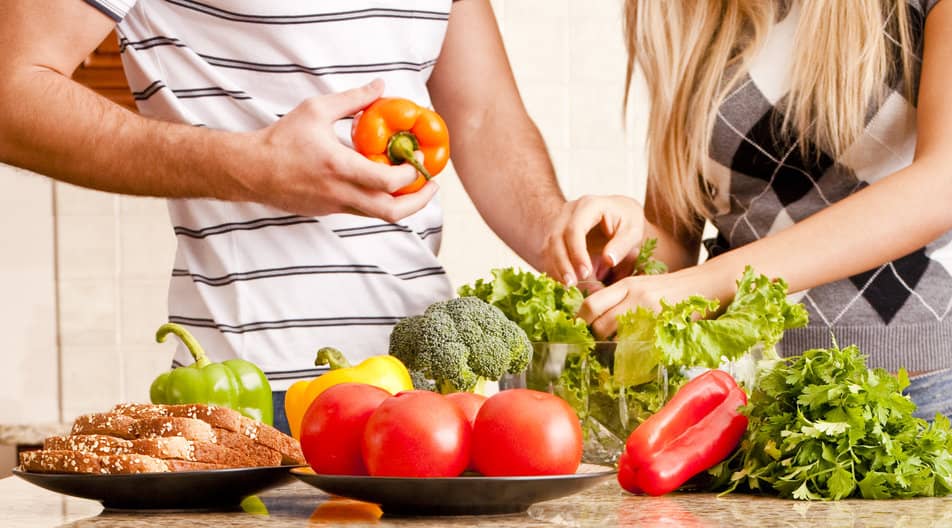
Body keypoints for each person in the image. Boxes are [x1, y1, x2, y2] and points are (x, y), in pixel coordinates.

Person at [0, 0, 644, 430]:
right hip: (258, 398)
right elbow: (11, 88)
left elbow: (479, 115)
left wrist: (563, 235)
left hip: (439, 400)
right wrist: (254, 167)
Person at [579, 0, 952, 455]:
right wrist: (623, 243)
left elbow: (945, 186)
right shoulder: (687, 10)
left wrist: (705, 284)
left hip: (916, 395)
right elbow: (676, 242)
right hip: (739, 403)